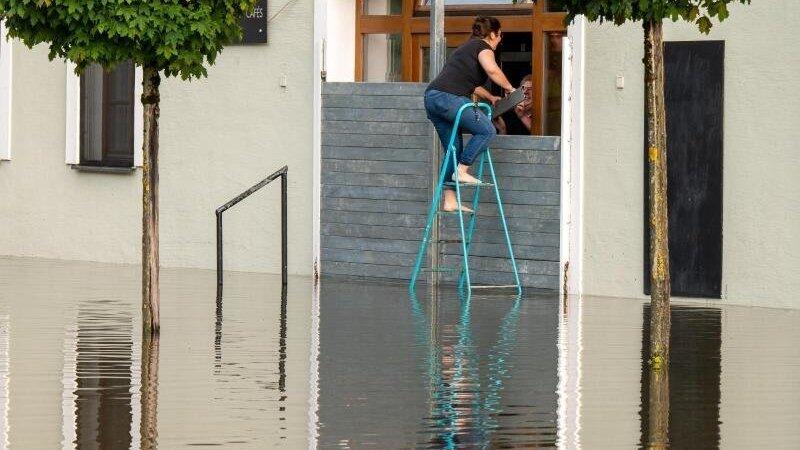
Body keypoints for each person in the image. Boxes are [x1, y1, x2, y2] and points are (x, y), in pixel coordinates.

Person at [424, 16, 516, 212]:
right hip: (449, 98)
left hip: (433, 98)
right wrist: (510, 88)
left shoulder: (466, 48)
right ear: (493, 34)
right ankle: (462, 171)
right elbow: (492, 70)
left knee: (453, 149)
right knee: (487, 131)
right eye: (500, 36)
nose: (500, 40)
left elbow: (472, 85)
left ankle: (449, 200)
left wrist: (491, 97)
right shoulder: (482, 47)